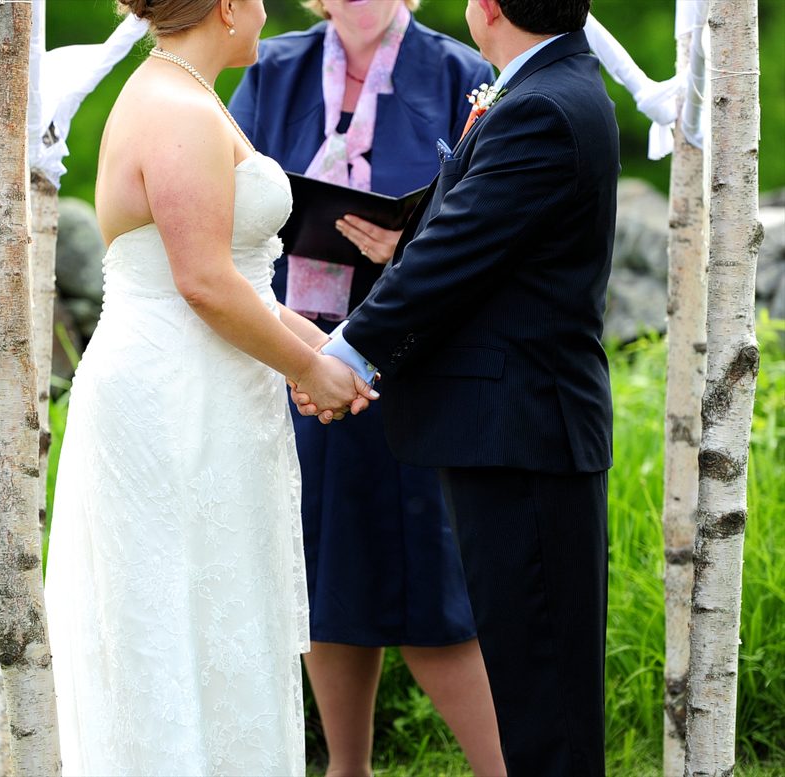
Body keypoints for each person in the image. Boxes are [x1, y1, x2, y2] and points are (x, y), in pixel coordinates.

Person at [43, 0, 377, 774]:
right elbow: (203, 283)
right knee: (170, 619)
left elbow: (245, 287)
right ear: (227, 7)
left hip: (207, 392)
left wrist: (333, 351)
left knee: (220, 610)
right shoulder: (173, 107)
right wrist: (307, 370)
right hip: (167, 400)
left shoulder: (190, 94)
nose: (268, 10)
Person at [298, 0, 620, 774]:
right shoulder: (549, 86)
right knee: (530, 681)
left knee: (544, 701)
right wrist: (410, 239)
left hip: (523, 435)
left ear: (488, 9)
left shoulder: (540, 106)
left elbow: (457, 259)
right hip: (512, 431)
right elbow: (495, 239)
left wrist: (345, 357)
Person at [229, 3, 506, 775]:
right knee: (325, 570)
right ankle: (346, 767)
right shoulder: (268, 67)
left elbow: (492, 220)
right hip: (298, 356)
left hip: (410, 363)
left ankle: (503, 766)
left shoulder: (462, 73)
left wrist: (408, 245)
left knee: (429, 576)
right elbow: (223, 206)